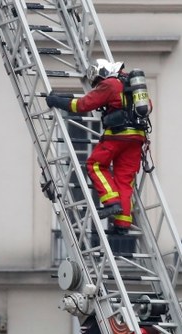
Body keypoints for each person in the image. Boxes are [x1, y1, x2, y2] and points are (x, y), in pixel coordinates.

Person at [46, 59, 150, 236]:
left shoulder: (109, 84)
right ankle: (122, 224)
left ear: (102, 72)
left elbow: (81, 105)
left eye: (97, 82)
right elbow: (148, 107)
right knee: (125, 180)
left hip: (117, 135)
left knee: (95, 165)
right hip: (137, 138)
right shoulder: (133, 86)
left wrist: (56, 100)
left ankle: (111, 202)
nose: (97, 85)